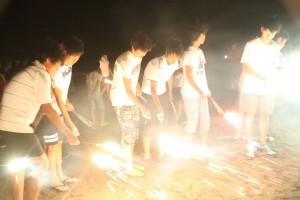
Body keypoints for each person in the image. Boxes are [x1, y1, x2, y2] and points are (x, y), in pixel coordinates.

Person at [0, 38, 80, 200]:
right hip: (16, 126)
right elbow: (48, 110)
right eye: (57, 65)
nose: (57, 69)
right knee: (41, 163)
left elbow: (35, 107)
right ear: (49, 60)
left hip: (5, 124)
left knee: (19, 165)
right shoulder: (40, 75)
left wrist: (33, 127)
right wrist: (68, 132)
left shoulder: (30, 71)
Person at [35, 36, 84, 192]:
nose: (75, 61)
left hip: (60, 110)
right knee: (52, 146)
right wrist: (70, 124)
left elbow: (62, 92)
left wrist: (67, 100)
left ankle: (60, 174)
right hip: (51, 114)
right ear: (64, 53)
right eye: (73, 57)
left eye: (78, 58)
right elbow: (56, 96)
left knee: (59, 144)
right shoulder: (56, 69)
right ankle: (52, 179)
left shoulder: (68, 67)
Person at [110, 31, 153, 176]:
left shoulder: (137, 57)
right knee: (128, 136)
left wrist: (138, 85)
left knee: (132, 134)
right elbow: (127, 90)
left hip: (130, 99)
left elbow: (132, 81)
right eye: (142, 52)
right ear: (133, 47)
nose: (144, 55)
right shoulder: (126, 61)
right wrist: (141, 106)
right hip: (123, 100)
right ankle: (127, 167)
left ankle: (128, 164)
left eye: (146, 52)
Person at [239, 16, 283, 157]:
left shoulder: (275, 47)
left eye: (274, 33)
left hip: (268, 88)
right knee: (250, 115)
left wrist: (275, 77)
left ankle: (263, 143)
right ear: (262, 28)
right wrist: (261, 77)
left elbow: (277, 67)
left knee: (265, 116)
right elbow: (245, 67)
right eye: (268, 31)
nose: (270, 34)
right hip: (251, 87)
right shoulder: (251, 45)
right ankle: (250, 144)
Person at [141, 39, 184, 160]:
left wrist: (169, 91)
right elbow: (152, 89)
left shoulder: (175, 63)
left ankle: (161, 152)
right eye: (173, 56)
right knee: (150, 124)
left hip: (161, 92)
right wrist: (159, 106)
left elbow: (170, 75)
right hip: (149, 94)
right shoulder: (155, 64)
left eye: (177, 57)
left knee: (163, 123)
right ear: (167, 52)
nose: (174, 60)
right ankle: (146, 153)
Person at [181, 23, 211, 148]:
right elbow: (189, 76)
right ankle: (187, 148)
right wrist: (199, 91)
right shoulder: (189, 54)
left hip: (201, 93)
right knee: (192, 122)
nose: (204, 36)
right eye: (202, 33)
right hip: (190, 94)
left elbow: (202, 73)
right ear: (196, 36)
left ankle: (204, 146)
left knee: (205, 121)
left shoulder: (200, 52)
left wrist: (206, 89)